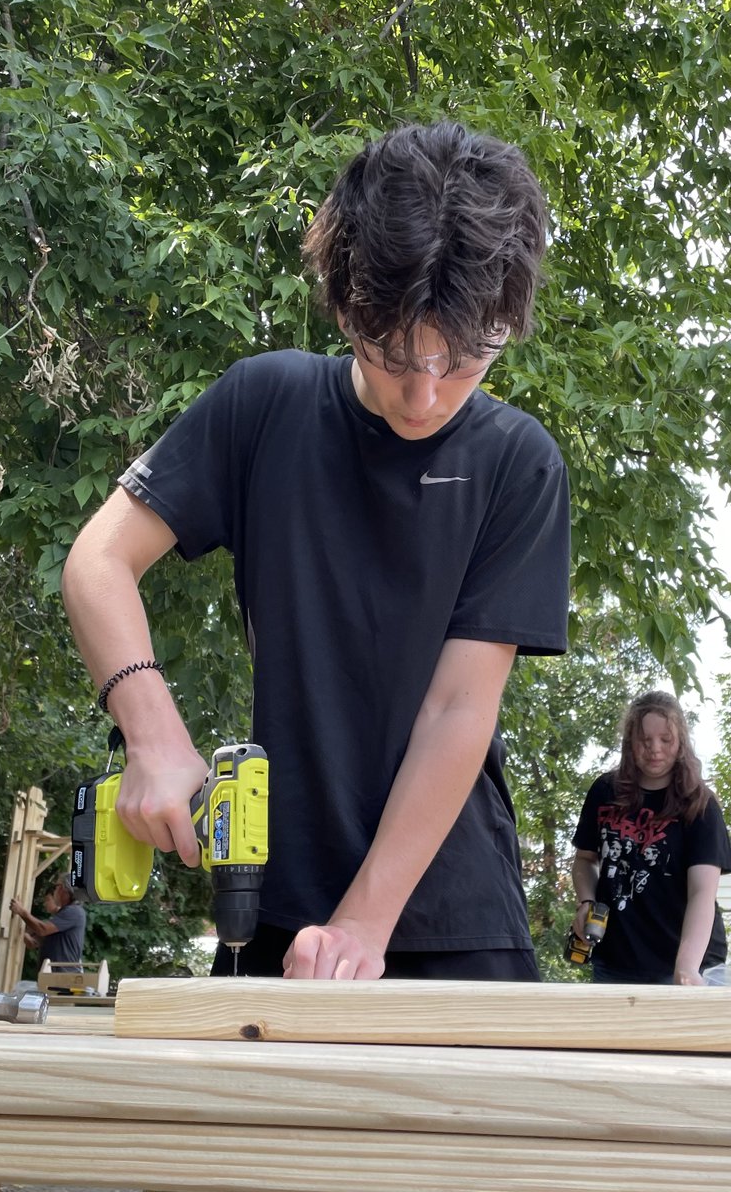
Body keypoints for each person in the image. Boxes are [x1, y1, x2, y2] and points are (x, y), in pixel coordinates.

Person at [61, 119, 571, 981]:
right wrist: (149, 732)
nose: (426, 394)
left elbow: (457, 710)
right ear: (345, 304)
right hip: (271, 903)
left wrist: (363, 925)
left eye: (466, 360)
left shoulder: (519, 463)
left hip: (454, 919)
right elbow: (97, 562)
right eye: (395, 353)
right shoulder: (264, 406)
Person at [570, 690, 731, 985]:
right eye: (645, 740)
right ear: (630, 742)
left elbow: (702, 893)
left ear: (680, 740)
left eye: (665, 740)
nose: (655, 749)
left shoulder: (700, 804)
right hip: (617, 965)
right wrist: (586, 901)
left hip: (693, 967)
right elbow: (584, 860)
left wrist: (686, 967)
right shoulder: (604, 791)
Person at [9, 872, 87, 978]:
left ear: (64, 889)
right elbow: (42, 938)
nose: (54, 890)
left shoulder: (74, 912)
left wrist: (22, 912)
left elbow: (43, 929)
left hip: (62, 978)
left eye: (56, 886)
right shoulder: (65, 912)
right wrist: (32, 939)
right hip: (55, 977)